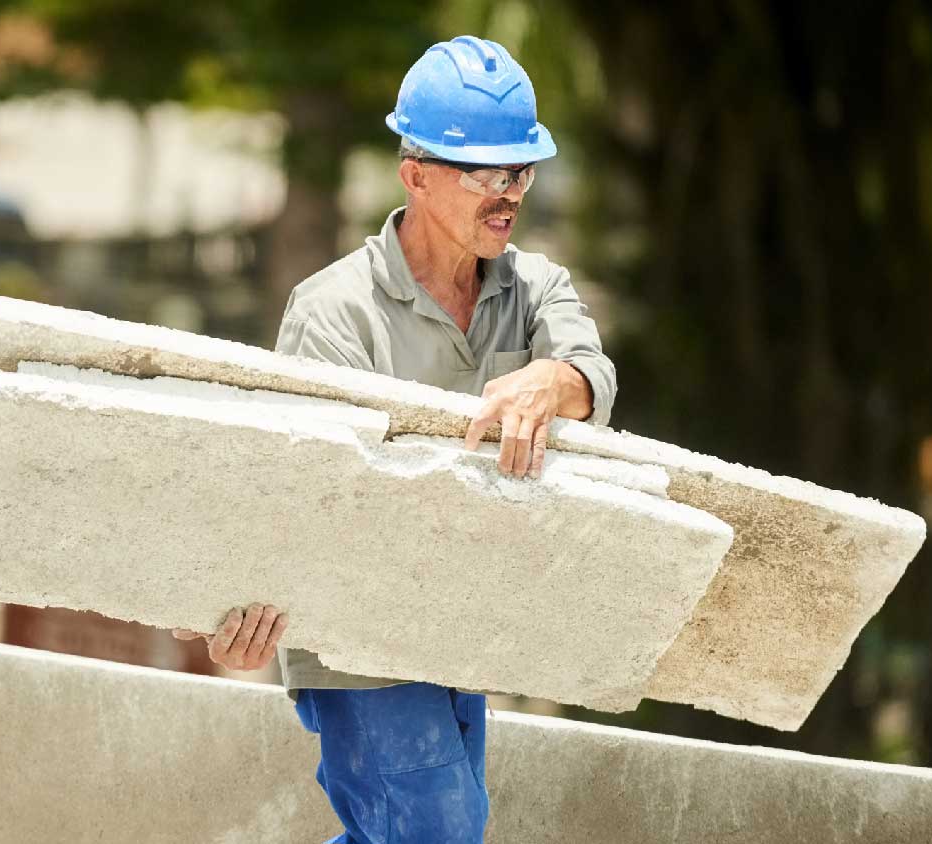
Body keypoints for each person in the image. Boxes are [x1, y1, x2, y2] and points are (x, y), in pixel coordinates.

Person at [175, 35, 616, 843]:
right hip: (355, 631)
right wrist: (230, 602)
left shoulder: (535, 288)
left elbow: (592, 372)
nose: (508, 193)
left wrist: (559, 382)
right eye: (483, 172)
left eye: (520, 170)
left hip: (461, 621)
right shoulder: (333, 312)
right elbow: (300, 483)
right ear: (414, 174)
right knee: (437, 832)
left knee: (422, 834)